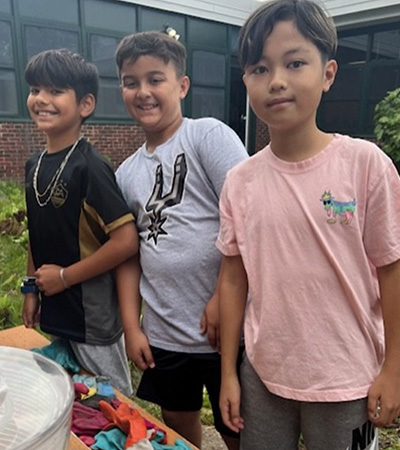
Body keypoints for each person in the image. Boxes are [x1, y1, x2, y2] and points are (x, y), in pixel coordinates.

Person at [217, 0, 400, 449]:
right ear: (246, 81)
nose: (276, 80)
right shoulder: (239, 182)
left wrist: (394, 368)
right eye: (259, 69)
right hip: (263, 375)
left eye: (295, 62)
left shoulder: (365, 166)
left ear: (328, 73)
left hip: (346, 378)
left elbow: (392, 270)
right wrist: (227, 373)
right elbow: (233, 279)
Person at [114, 31, 248, 449]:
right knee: (177, 424)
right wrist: (131, 327)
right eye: (130, 82)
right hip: (165, 331)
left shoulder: (207, 136)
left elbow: (247, 215)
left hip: (226, 327)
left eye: (155, 79)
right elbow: (129, 256)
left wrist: (219, 299)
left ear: (182, 86)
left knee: (238, 425)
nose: (143, 92)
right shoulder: (125, 172)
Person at [22, 49, 139, 396]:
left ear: (85, 104)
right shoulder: (34, 165)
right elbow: (36, 233)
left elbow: (126, 241)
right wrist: (31, 289)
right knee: (69, 398)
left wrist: (63, 277)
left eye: (55, 91)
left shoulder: (91, 167)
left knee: (111, 401)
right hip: (55, 309)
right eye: (35, 90)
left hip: (93, 318)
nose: (41, 99)